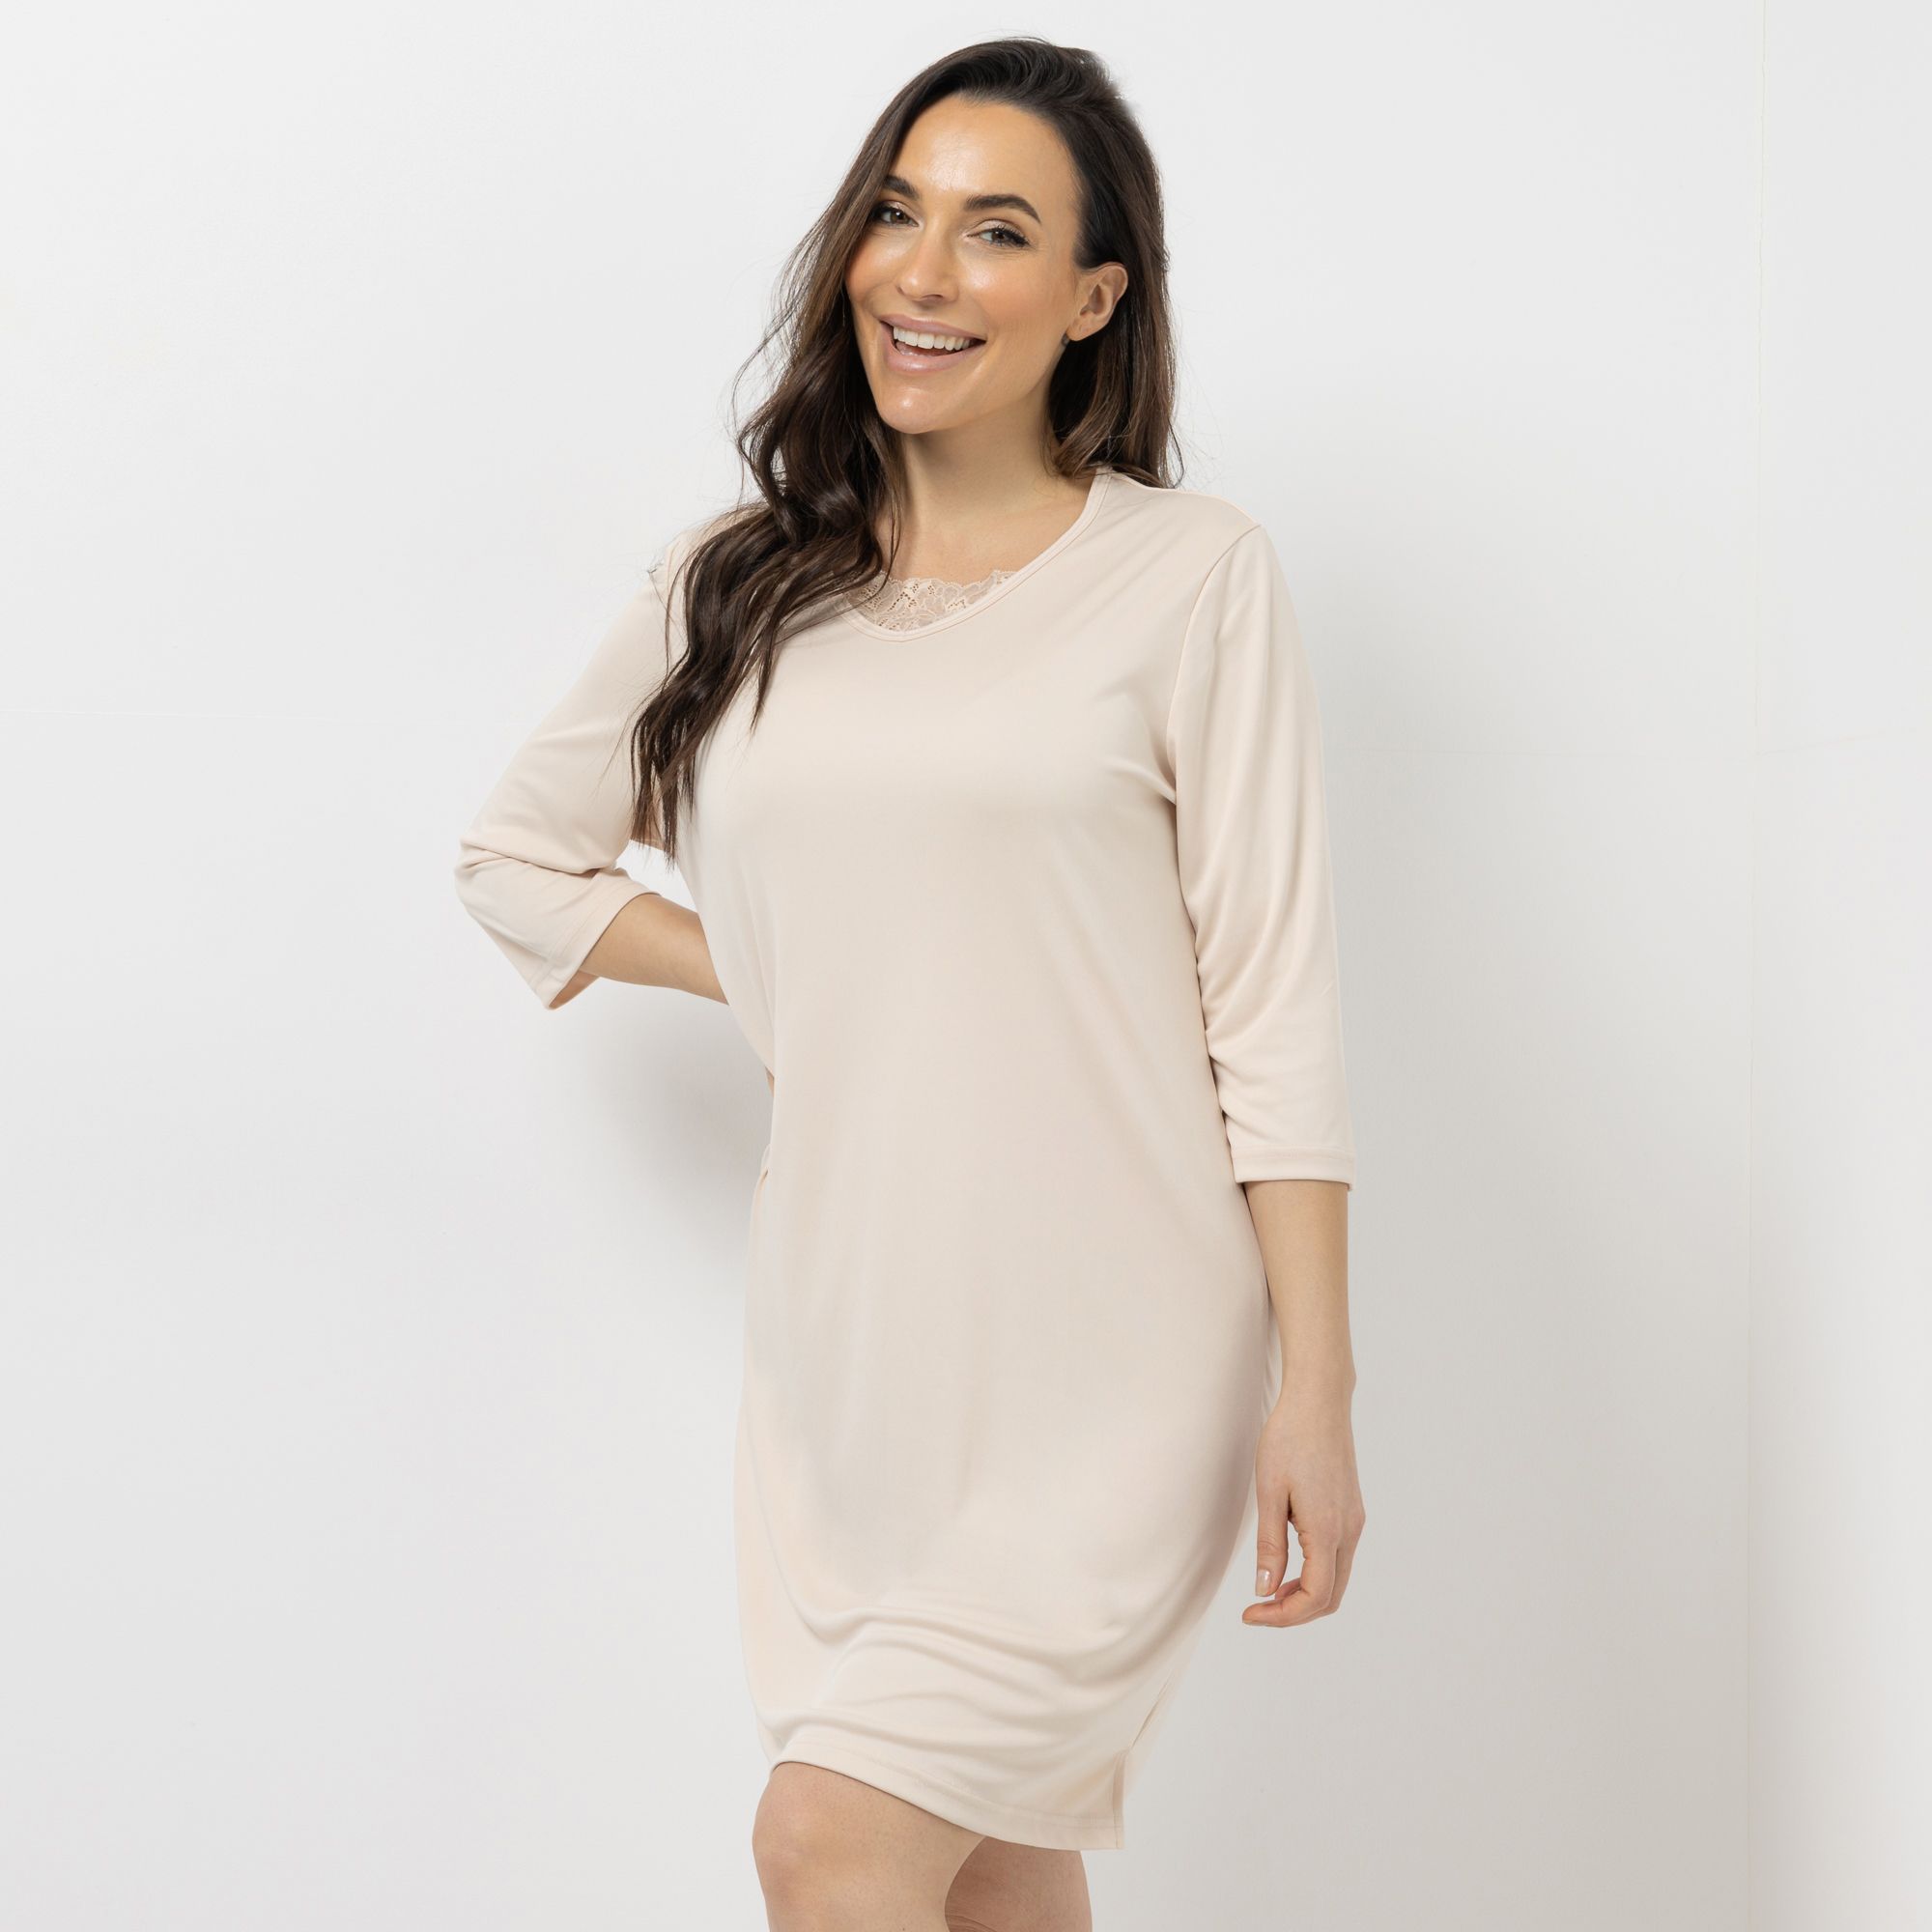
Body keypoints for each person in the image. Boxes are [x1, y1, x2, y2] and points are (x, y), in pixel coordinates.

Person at [453, 38, 1364, 1932]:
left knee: (829, 1839)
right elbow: (518, 859)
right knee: (993, 1871)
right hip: (852, 1359)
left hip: (1117, 1349)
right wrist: (791, 978)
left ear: (1093, 298)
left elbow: (1268, 999)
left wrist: (1318, 1386)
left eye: (998, 230)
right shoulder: (735, 580)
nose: (925, 271)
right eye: (896, 212)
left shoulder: (1190, 576)